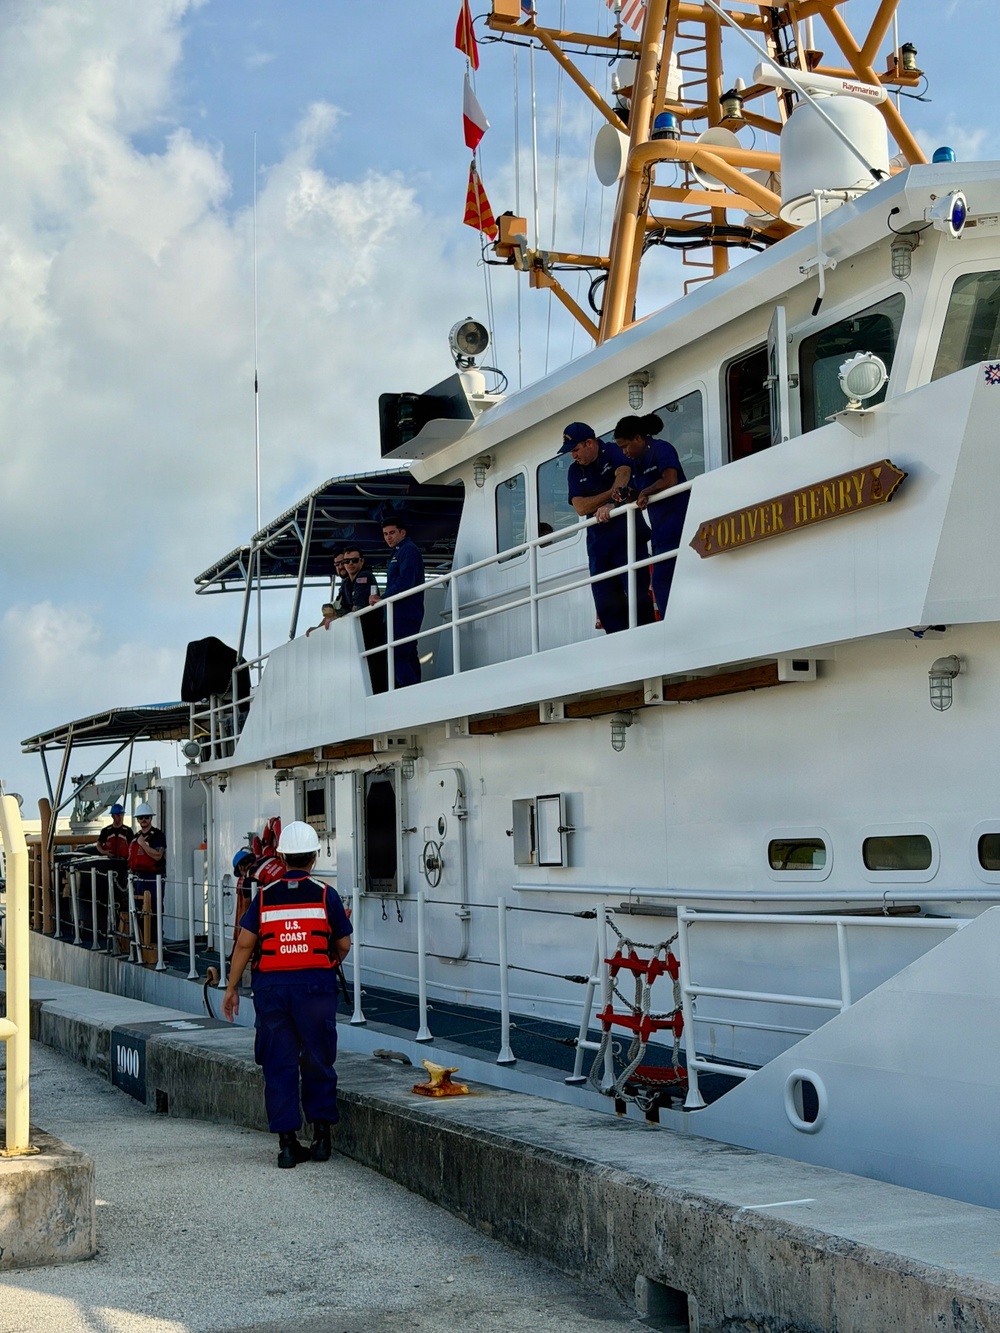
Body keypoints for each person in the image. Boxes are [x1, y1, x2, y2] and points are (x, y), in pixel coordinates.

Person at [222, 821, 352, 1169]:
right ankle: (322, 1139)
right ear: (313, 857)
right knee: (318, 1060)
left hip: (273, 991)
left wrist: (232, 988)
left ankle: (288, 1146)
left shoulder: (264, 896)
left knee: (279, 1065)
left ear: (281, 855)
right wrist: (323, 965)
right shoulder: (327, 895)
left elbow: (245, 945)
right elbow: (343, 944)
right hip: (315, 990)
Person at [558, 421, 654, 634]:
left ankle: (649, 639)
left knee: (638, 597)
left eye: (575, 450)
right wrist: (609, 496)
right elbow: (580, 507)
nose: (573, 456)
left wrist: (614, 497)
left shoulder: (612, 451)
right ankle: (619, 648)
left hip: (627, 538)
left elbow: (624, 472)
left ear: (589, 443)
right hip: (599, 547)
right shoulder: (575, 471)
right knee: (606, 605)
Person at [613, 413, 689, 616]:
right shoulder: (638, 463)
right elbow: (639, 493)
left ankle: (671, 623)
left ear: (638, 438)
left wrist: (646, 492)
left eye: (625, 445)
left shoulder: (661, 449)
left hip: (678, 524)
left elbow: (670, 479)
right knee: (665, 580)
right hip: (659, 532)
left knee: (662, 580)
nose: (624, 452)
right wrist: (628, 495)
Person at [369, 519, 424, 687]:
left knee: (397, 654)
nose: (388, 537)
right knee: (407, 654)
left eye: (392, 533)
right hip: (400, 611)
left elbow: (406, 581)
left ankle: (408, 690)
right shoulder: (398, 552)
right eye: (385, 534)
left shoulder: (408, 550)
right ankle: (415, 689)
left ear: (403, 532)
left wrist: (383, 598)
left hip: (405, 611)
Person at [127, 801, 166, 952]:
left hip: (154, 877)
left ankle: (156, 942)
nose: (144, 820)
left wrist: (143, 845)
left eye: (146, 817)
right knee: (139, 910)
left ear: (151, 818)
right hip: (138, 878)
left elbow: (157, 855)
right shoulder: (135, 837)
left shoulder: (158, 835)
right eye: (141, 817)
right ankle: (141, 941)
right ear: (137, 819)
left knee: (155, 909)